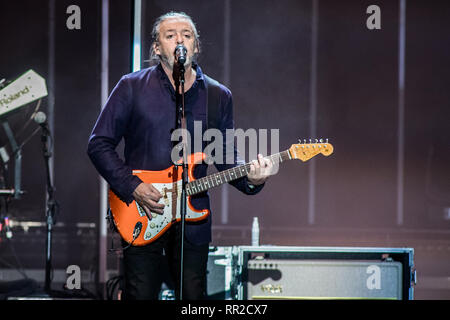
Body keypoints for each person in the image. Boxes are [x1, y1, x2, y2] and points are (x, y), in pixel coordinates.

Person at [87, 11, 272, 300]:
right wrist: (132, 185)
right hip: (143, 211)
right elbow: (99, 143)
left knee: (193, 298)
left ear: (196, 46)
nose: (179, 40)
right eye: (170, 35)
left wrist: (252, 178)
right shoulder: (131, 87)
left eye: (187, 35)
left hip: (193, 221)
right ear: (156, 48)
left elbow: (224, 154)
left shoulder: (217, 95)